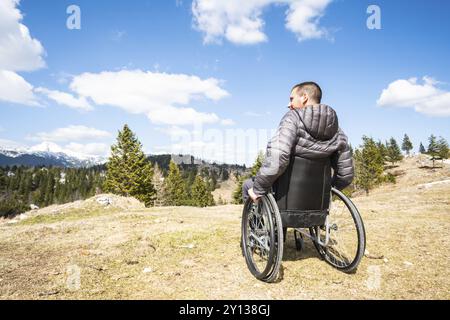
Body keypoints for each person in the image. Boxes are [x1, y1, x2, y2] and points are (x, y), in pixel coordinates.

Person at [243, 82, 354, 203]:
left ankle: (255, 221)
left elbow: (278, 157)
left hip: (285, 198)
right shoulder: (337, 130)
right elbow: (346, 174)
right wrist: (328, 190)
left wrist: (258, 189)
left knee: (248, 185)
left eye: (292, 99)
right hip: (318, 202)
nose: (289, 105)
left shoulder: (292, 118)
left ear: (304, 97)